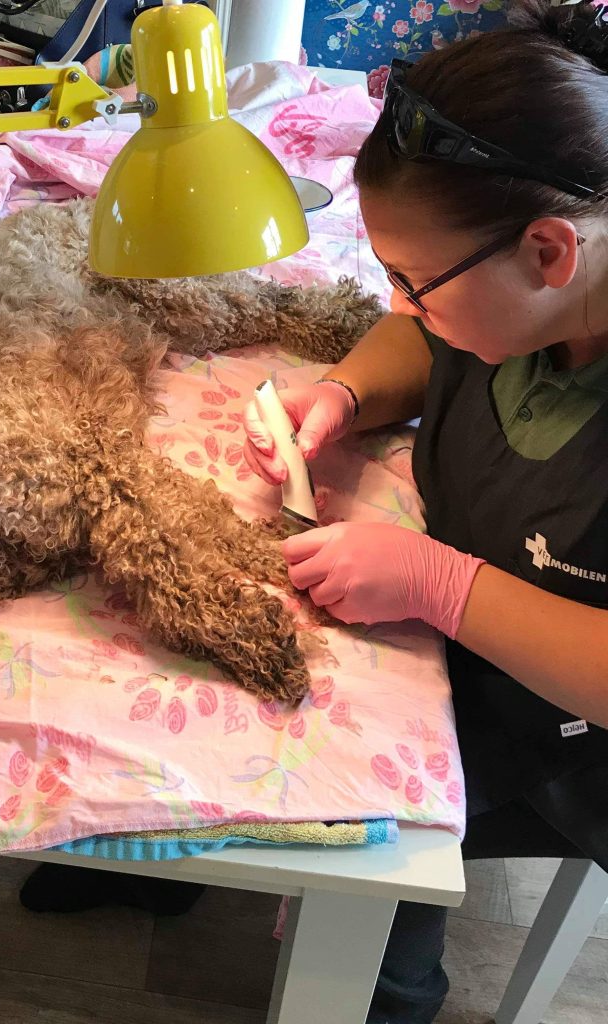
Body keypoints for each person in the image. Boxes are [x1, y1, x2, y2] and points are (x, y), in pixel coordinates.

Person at [242, 2, 608, 1021]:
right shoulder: (532, 279)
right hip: (477, 638)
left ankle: (385, 996)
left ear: (548, 252)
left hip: (573, 738)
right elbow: (431, 341)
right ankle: (175, 861)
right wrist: (347, 395)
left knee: (353, 819)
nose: (399, 302)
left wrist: (440, 584)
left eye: (416, 281)